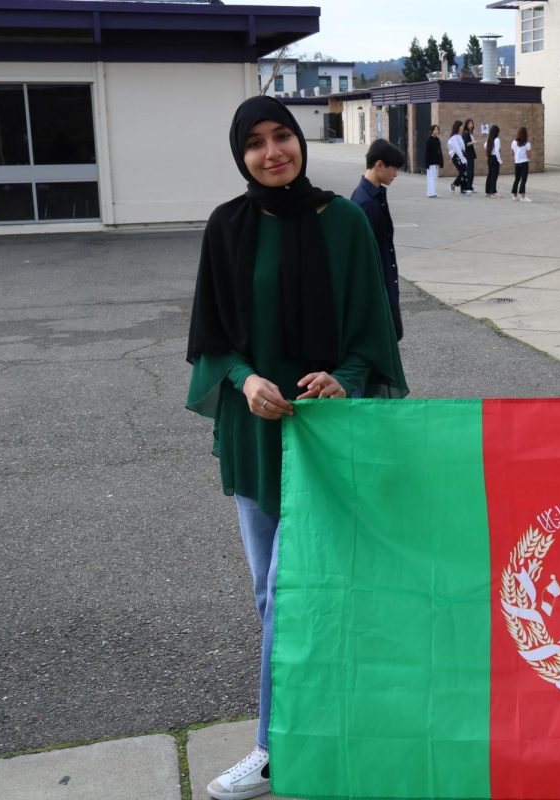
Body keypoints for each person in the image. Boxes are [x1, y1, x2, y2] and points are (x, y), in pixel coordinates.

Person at [186, 96, 407, 800]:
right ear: (239, 154)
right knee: (269, 591)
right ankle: (322, 720)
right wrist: (245, 378)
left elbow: (373, 331)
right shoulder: (227, 226)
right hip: (257, 432)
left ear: (300, 140)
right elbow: (211, 341)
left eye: (283, 135)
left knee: (296, 591)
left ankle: (274, 747)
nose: (272, 151)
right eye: (255, 142)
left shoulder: (343, 222)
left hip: (327, 436)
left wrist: (342, 379)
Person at [351, 138, 405, 341]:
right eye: (394, 168)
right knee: (386, 341)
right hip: (378, 293)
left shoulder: (375, 196)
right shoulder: (365, 203)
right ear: (379, 165)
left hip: (386, 287)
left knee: (393, 337)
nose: (396, 174)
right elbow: (365, 258)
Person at [448, 120, 470, 195]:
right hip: (456, 156)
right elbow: (457, 149)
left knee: (464, 172)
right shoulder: (453, 138)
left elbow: (463, 148)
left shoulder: (459, 136)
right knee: (463, 171)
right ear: (457, 127)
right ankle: (454, 184)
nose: (462, 127)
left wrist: (463, 157)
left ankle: (463, 189)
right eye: (461, 126)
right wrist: (462, 158)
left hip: (461, 155)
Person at [511, 126, 532, 202]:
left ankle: (514, 195)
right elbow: (529, 155)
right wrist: (527, 157)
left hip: (517, 163)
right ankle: (523, 197)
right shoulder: (527, 143)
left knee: (517, 179)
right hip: (524, 163)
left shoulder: (514, 142)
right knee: (523, 179)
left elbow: (512, 153)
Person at [424, 124, 443, 198]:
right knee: (431, 178)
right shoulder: (429, 140)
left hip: (436, 161)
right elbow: (427, 152)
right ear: (432, 131)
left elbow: (439, 151)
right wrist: (427, 163)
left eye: (437, 129)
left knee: (434, 177)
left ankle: (434, 192)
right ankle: (430, 193)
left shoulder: (437, 139)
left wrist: (440, 161)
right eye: (435, 129)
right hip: (430, 162)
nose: (437, 131)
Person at [484, 124, 502, 197]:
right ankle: (493, 191)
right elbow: (497, 151)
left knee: (490, 175)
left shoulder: (489, 139)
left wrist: (490, 149)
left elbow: (484, 146)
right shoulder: (497, 139)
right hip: (495, 158)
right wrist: (499, 160)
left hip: (490, 158)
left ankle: (487, 191)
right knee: (494, 175)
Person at [462, 118, 478, 193]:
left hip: (471, 154)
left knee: (471, 171)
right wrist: (473, 142)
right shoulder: (465, 133)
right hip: (468, 155)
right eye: (469, 124)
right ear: (466, 125)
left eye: (472, 123)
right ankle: (467, 187)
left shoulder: (470, 133)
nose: (471, 125)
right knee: (469, 171)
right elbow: (466, 144)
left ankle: (470, 187)